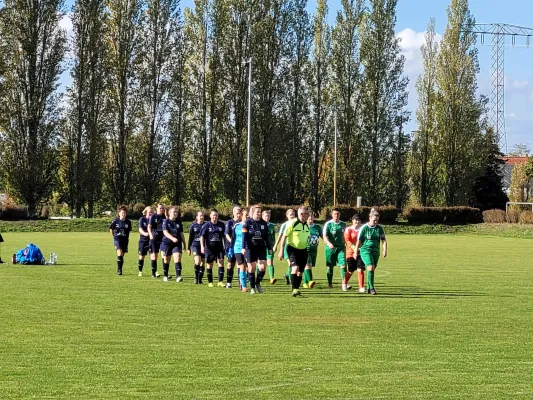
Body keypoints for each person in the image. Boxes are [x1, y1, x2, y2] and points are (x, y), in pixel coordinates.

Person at [277, 206, 310, 297]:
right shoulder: (293, 223)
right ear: (298, 214)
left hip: (303, 250)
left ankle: (297, 288)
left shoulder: (307, 225)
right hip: (292, 249)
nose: (303, 215)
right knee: (294, 268)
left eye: (305, 214)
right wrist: (281, 250)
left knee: (300, 272)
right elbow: (284, 236)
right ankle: (294, 289)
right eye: (301, 214)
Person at [356, 210, 387, 295]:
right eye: (375, 219)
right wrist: (355, 252)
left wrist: (384, 250)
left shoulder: (379, 228)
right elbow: (359, 241)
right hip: (365, 250)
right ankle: (372, 288)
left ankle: (369, 288)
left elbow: (383, 240)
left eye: (377, 219)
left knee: (372, 268)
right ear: (370, 218)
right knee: (370, 267)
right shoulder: (364, 228)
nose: (376, 220)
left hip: (375, 251)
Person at [242, 205, 271, 295]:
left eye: (260, 212)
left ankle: (257, 283)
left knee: (262, 268)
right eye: (257, 212)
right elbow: (244, 236)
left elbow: (266, 237)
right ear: (253, 212)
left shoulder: (264, 223)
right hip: (250, 248)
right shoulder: (248, 222)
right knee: (251, 267)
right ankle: (252, 288)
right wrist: (243, 247)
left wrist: (269, 248)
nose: (259, 213)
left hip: (261, 248)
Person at [200, 209, 225, 288]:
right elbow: (202, 237)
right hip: (210, 248)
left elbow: (224, 236)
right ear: (210, 216)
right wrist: (202, 246)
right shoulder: (207, 225)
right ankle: (210, 282)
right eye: (213, 215)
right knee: (210, 264)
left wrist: (226, 245)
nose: (215, 217)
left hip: (219, 247)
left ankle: (220, 281)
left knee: (221, 262)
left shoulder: (221, 225)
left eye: (216, 215)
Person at [161, 206, 186, 282]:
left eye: (176, 212)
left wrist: (184, 244)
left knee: (177, 257)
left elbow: (181, 234)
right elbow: (165, 232)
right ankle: (165, 275)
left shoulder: (179, 222)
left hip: (177, 244)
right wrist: (172, 238)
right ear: (169, 213)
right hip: (167, 243)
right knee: (166, 259)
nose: (175, 213)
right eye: (174, 212)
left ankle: (178, 276)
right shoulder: (166, 221)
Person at [323, 208, 347, 289]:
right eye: (334, 214)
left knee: (343, 265)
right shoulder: (328, 224)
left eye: (337, 214)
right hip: (330, 248)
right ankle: (330, 284)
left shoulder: (343, 224)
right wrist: (329, 243)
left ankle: (344, 284)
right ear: (332, 215)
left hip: (341, 248)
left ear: (340, 215)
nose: (336, 215)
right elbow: (324, 236)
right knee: (330, 266)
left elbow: (346, 236)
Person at [273, 208, 296, 285]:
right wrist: (276, 246)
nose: (292, 214)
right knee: (290, 263)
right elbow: (280, 236)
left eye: (293, 212)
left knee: (294, 264)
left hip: (296, 247)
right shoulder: (284, 225)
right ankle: (292, 280)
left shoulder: (297, 223)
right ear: (287, 215)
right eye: (290, 213)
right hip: (287, 246)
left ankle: (287, 275)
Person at [343, 214, 365, 292]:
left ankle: (361, 287)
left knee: (360, 269)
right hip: (350, 252)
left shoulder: (362, 229)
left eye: (358, 220)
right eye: (355, 220)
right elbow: (347, 240)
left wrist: (360, 248)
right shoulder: (348, 229)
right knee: (351, 270)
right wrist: (354, 248)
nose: (357, 221)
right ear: (352, 221)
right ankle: (344, 283)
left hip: (360, 252)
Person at [109, 205, 132, 275]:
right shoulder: (115, 221)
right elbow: (111, 229)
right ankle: (119, 270)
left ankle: (119, 268)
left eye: (124, 213)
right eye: (122, 213)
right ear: (119, 213)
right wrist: (114, 236)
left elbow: (129, 231)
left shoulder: (128, 222)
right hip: (117, 239)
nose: (123, 214)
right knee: (119, 253)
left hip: (125, 240)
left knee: (122, 255)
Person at [224, 205, 242, 288]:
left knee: (240, 264)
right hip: (231, 247)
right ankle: (229, 282)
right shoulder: (230, 222)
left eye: (240, 213)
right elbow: (226, 234)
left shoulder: (242, 223)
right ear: (234, 213)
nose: (239, 215)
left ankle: (240, 282)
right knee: (230, 264)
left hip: (239, 247)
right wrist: (232, 241)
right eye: (237, 213)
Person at [148, 204, 166, 278]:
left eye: (162, 208)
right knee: (154, 256)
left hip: (162, 238)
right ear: (157, 209)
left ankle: (166, 273)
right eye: (160, 208)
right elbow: (149, 227)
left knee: (164, 255)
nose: (161, 209)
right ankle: (153, 273)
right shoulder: (153, 216)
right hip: (154, 238)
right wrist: (150, 235)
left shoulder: (164, 217)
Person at [303, 211, 320, 289]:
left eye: (311, 217)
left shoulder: (317, 227)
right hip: (305, 249)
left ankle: (305, 282)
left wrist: (328, 242)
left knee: (309, 266)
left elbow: (323, 236)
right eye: (309, 218)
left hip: (314, 250)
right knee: (307, 265)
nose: (310, 219)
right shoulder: (303, 226)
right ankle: (310, 281)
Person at [233, 208, 248, 292]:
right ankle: (243, 286)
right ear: (242, 216)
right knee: (242, 266)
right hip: (238, 248)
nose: (247, 217)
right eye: (245, 215)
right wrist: (230, 249)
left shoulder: (250, 225)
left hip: (248, 249)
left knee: (248, 267)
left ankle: (245, 282)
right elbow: (233, 238)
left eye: (248, 215)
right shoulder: (237, 226)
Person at [188, 211, 205, 284]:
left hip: (204, 246)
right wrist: (188, 248)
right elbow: (190, 237)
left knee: (202, 263)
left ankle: (200, 279)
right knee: (197, 261)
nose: (201, 217)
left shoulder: (206, 225)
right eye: (200, 216)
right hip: (195, 245)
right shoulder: (193, 226)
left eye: (202, 216)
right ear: (197, 217)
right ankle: (196, 277)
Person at [137, 206, 153, 276]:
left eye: (152, 212)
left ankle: (154, 272)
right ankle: (140, 271)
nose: (151, 213)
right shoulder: (142, 219)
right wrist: (145, 233)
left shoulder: (153, 220)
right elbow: (140, 229)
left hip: (151, 240)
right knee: (141, 256)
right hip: (143, 240)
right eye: (149, 212)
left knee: (153, 256)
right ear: (146, 212)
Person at [262, 210, 277, 284]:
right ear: (262, 216)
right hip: (261, 246)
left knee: (270, 261)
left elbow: (273, 236)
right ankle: (259, 278)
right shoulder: (260, 224)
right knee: (261, 262)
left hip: (270, 247)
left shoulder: (272, 225)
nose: (267, 217)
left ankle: (272, 278)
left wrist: (275, 245)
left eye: (268, 216)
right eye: (265, 216)